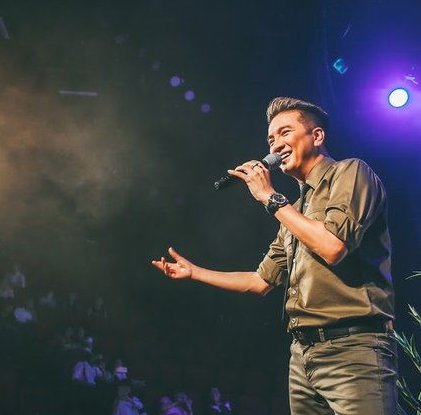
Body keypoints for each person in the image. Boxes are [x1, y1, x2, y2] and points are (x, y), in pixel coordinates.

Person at [153, 97, 398, 414]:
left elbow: (333, 247)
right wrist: (195, 272)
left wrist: (269, 197)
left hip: (353, 349)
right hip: (303, 355)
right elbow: (259, 282)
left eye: (285, 132)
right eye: (271, 139)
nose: (276, 144)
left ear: (317, 136)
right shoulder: (292, 212)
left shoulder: (350, 172)